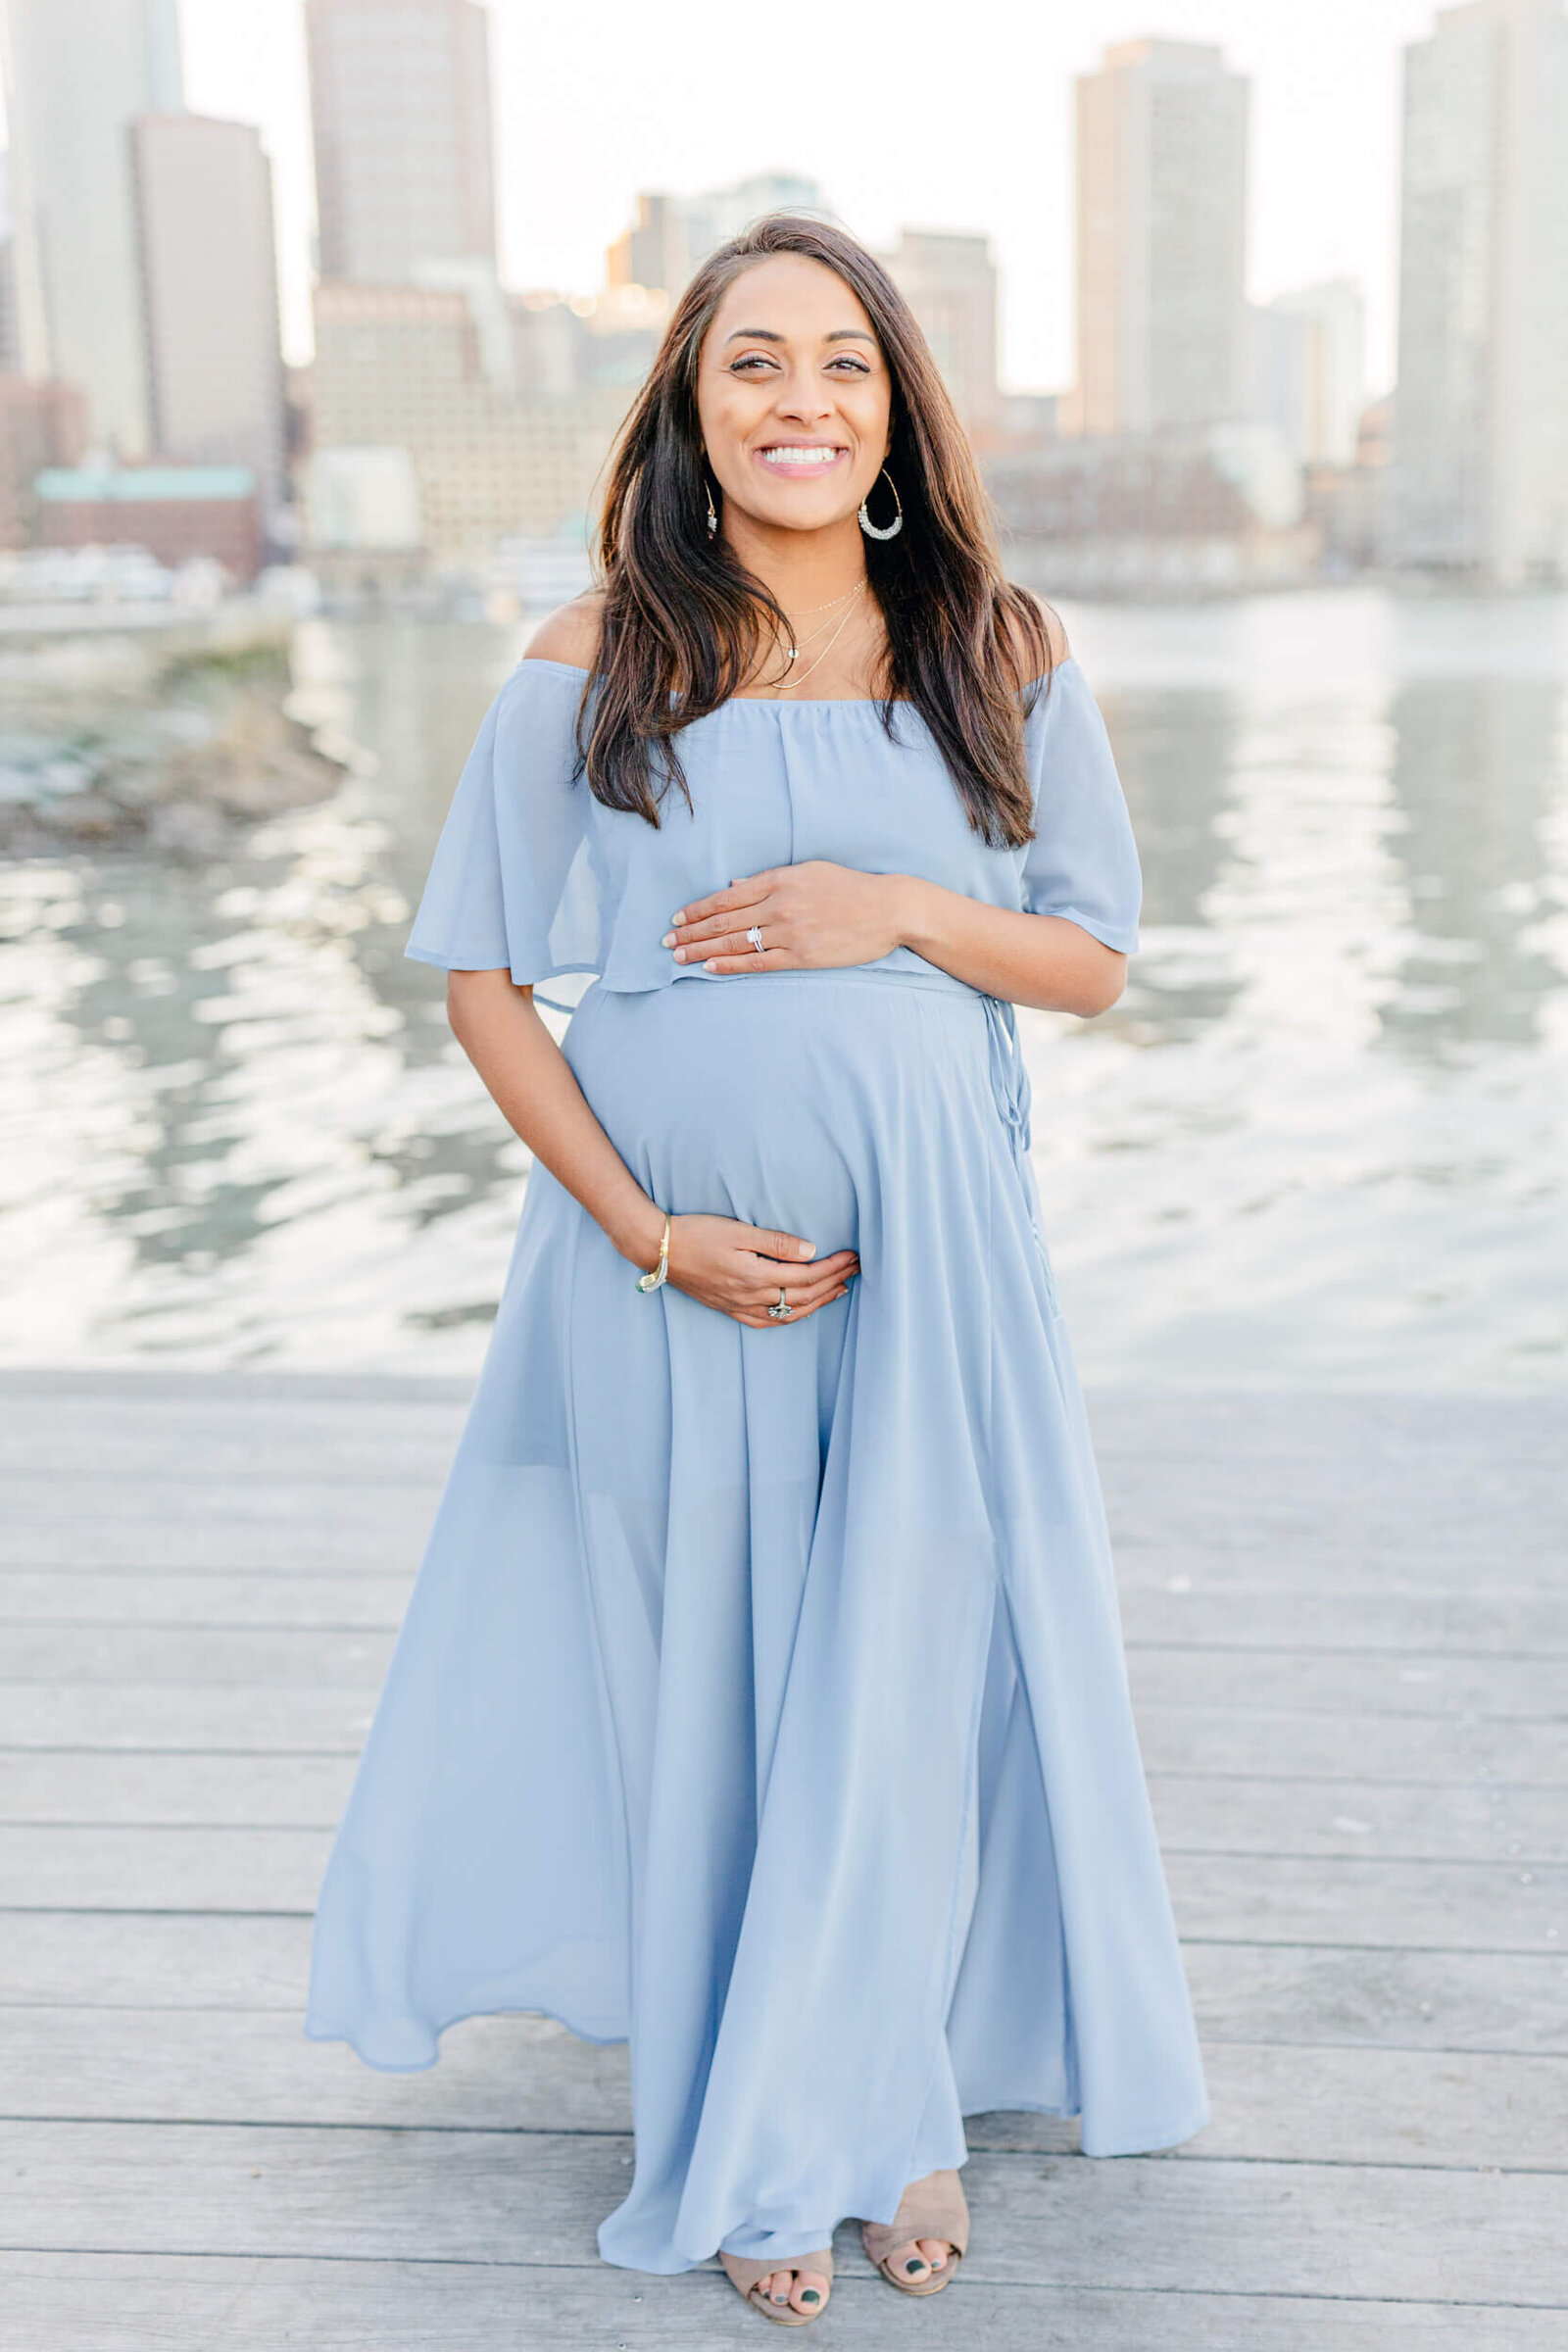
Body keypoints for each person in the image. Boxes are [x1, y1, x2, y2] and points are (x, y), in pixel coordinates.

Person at [306, 213, 1207, 2328]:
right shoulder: (587, 657)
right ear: (687, 417)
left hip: (935, 1263)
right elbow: (483, 984)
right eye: (751, 369)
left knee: (906, 1654)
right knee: (726, 1663)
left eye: (840, 367)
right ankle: (763, 2118)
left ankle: (887, 2100)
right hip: (666, 1270)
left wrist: (884, 909)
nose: (799, 402)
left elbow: (1082, 954)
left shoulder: (996, 640)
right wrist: (646, 1235)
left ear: (894, 411)